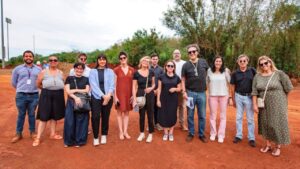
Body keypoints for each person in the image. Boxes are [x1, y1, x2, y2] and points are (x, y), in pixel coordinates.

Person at [252, 56, 293, 157]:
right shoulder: (257, 76)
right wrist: (254, 105)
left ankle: (277, 146)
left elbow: (288, 88)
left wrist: (282, 99)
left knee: (276, 124)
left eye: (265, 63)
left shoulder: (279, 74)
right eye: (261, 64)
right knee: (265, 123)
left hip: (278, 104)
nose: (264, 65)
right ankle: (268, 145)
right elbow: (254, 92)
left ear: (270, 63)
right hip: (263, 104)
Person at [33, 55, 65, 146]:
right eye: (51, 60)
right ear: (48, 62)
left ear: (57, 62)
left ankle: (53, 134)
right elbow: (38, 84)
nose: (53, 61)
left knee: (54, 115)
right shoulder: (43, 72)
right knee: (44, 116)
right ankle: (38, 137)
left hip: (58, 95)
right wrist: (46, 89)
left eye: (55, 60)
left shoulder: (61, 72)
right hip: (46, 95)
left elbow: (63, 82)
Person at [11, 50, 42, 143]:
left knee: (32, 114)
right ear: (23, 57)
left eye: (30, 56)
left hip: (34, 95)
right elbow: (13, 82)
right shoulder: (17, 69)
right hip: (21, 95)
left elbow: (40, 81)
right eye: (26, 56)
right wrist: (22, 89)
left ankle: (32, 132)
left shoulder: (38, 69)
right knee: (21, 114)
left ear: (33, 58)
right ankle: (18, 133)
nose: (28, 58)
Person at [181, 44, 209, 143]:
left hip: (202, 93)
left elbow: (208, 75)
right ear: (188, 54)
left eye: (194, 51)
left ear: (197, 52)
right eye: (190, 52)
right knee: (190, 114)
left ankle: (201, 134)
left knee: (202, 115)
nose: (192, 53)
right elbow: (183, 79)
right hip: (190, 93)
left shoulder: (203, 62)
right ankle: (191, 133)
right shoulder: (185, 65)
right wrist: (184, 92)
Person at [230, 54, 256, 147]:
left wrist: (256, 98)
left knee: (250, 118)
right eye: (240, 61)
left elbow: (257, 82)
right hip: (238, 96)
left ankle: (251, 138)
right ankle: (239, 135)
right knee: (239, 117)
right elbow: (232, 87)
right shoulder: (235, 73)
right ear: (238, 62)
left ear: (247, 62)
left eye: (244, 61)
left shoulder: (252, 71)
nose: (242, 62)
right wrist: (233, 99)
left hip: (249, 97)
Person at [89, 54, 115, 146]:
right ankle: (96, 137)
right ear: (97, 61)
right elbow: (93, 85)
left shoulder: (110, 71)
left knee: (105, 116)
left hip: (108, 97)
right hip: (96, 97)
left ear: (106, 61)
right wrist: (103, 96)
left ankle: (104, 134)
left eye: (104, 59)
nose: (102, 61)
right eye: (100, 59)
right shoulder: (92, 71)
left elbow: (112, 84)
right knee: (95, 116)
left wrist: (108, 96)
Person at [64, 63, 90, 147]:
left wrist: (74, 90)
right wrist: (75, 97)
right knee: (70, 121)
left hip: (82, 102)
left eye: (81, 69)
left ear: (83, 70)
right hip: (71, 101)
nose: (79, 70)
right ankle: (69, 141)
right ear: (74, 69)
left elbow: (86, 90)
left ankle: (80, 141)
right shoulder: (69, 78)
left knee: (81, 121)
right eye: (77, 68)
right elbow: (68, 91)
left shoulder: (86, 79)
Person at [207, 56, 232, 143]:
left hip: (223, 96)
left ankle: (221, 135)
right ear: (214, 62)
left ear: (222, 62)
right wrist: (209, 94)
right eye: (216, 61)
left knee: (223, 116)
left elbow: (230, 83)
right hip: (212, 96)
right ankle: (213, 133)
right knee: (212, 115)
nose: (218, 63)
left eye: (220, 61)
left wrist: (230, 96)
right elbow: (207, 82)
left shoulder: (225, 71)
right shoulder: (209, 71)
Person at [157, 60, 181, 141]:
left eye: (172, 66)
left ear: (174, 68)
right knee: (163, 115)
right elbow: (159, 89)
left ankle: (171, 133)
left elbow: (180, 88)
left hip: (173, 100)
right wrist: (158, 100)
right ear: (166, 67)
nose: (170, 67)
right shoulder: (161, 76)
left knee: (172, 115)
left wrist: (175, 89)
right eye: (168, 66)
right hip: (163, 99)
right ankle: (165, 133)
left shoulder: (177, 77)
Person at [133, 56, 155, 143]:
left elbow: (154, 84)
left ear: (148, 63)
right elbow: (134, 87)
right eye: (144, 61)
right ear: (141, 62)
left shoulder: (151, 72)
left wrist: (151, 88)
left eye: (147, 62)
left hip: (150, 94)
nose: (145, 63)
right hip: (140, 95)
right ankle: (141, 133)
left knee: (150, 114)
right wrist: (134, 99)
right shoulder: (136, 73)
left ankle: (150, 134)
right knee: (141, 115)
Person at [114, 51, 135, 140]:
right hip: (119, 94)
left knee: (126, 113)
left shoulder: (132, 70)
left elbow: (134, 85)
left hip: (128, 94)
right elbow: (114, 85)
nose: (123, 59)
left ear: (127, 58)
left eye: (124, 58)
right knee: (119, 113)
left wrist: (133, 96)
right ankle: (121, 132)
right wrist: (115, 96)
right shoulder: (116, 70)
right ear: (119, 60)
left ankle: (125, 131)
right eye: (121, 58)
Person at [172, 49, 188, 131]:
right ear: (173, 55)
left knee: (182, 106)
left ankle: (182, 123)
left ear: (180, 54)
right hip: (172, 88)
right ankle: (172, 123)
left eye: (178, 53)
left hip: (182, 88)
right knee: (172, 106)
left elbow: (186, 76)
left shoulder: (184, 63)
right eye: (175, 53)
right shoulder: (170, 63)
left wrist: (183, 87)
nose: (176, 54)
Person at [150, 53, 164, 131]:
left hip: (158, 92)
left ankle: (157, 124)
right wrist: (152, 90)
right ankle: (150, 124)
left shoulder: (161, 69)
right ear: (151, 59)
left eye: (156, 59)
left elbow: (162, 81)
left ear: (158, 60)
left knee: (157, 108)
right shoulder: (148, 68)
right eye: (153, 59)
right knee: (150, 108)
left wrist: (157, 90)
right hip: (150, 92)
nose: (154, 60)